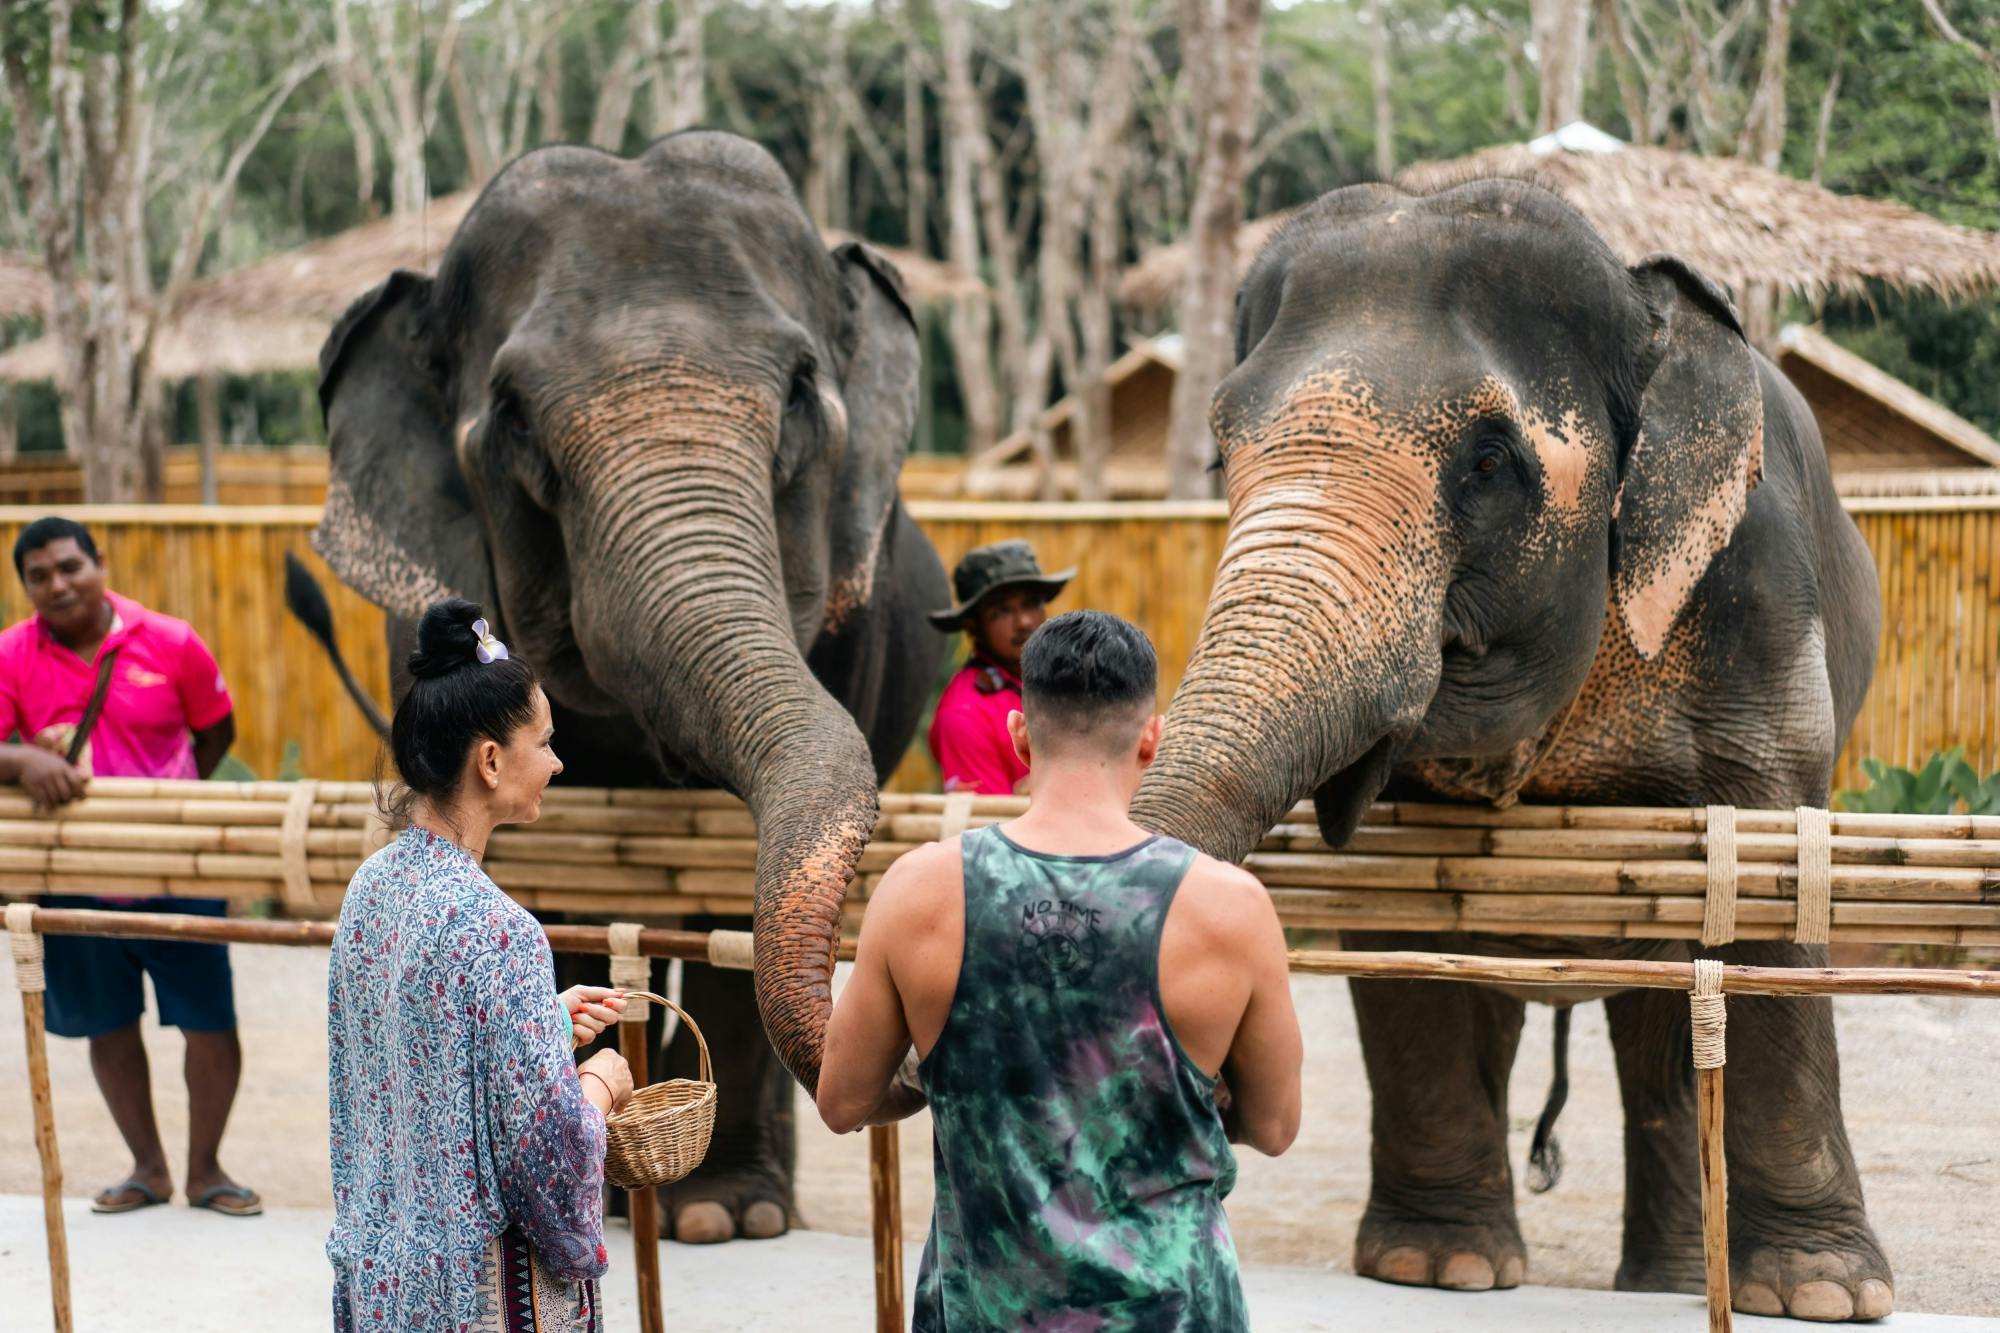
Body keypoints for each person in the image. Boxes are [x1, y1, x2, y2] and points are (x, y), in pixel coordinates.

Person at [819, 610, 1304, 1332]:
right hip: (1174, 1310)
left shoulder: (919, 893)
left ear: (1018, 734)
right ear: (1151, 737)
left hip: (987, 1310)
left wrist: (947, 1077)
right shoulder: (1229, 908)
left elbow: (842, 1101)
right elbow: (1273, 1123)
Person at [327, 598, 634, 1331]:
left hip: (385, 1280)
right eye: (545, 743)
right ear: (491, 761)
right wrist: (598, 1083)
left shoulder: (372, 887)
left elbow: (402, 1053)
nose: (557, 763)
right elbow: (550, 1158)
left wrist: (542, 1020)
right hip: (477, 1298)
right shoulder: (503, 931)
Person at [0, 515, 258, 1216]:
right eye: (38, 575)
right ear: (25, 584)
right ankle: (149, 1170)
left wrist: (166, 803)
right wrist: (22, 759)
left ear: (98, 562)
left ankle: (206, 1170)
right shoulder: (10, 654)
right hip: (74, 878)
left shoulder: (171, 640)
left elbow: (217, 728)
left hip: (179, 873)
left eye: (68, 567)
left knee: (209, 1022)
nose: (57, 584)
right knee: (106, 1024)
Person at [925, 540, 1075, 795]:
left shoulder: (1067, 682)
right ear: (973, 626)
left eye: (1031, 604)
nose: (1024, 621)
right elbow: (990, 829)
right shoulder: (965, 714)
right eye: (1002, 611)